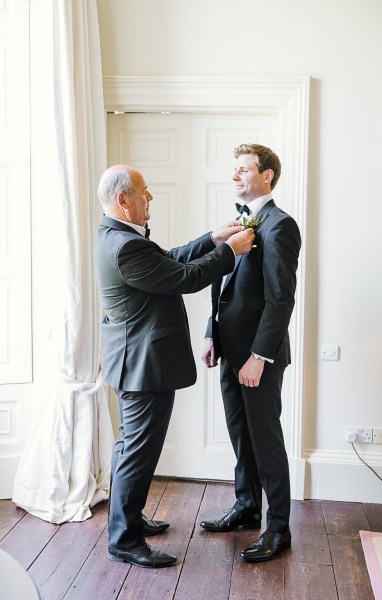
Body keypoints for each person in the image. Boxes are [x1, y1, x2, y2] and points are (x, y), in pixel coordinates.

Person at [94, 164, 255, 569]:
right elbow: (185, 277)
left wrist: (213, 238)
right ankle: (125, 540)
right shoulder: (125, 245)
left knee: (129, 447)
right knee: (137, 452)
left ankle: (127, 520)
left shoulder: (115, 235)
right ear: (122, 200)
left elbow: (169, 260)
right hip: (143, 366)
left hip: (130, 360)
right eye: (144, 192)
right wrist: (229, 252)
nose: (150, 198)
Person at [200, 144, 301, 563]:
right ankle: (246, 507)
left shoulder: (280, 225)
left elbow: (280, 300)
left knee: (266, 441)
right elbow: (222, 282)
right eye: (235, 169)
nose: (236, 176)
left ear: (267, 176)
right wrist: (211, 333)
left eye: (244, 169)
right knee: (240, 436)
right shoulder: (237, 225)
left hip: (258, 359)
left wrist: (260, 356)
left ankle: (278, 528)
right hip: (228, 352)